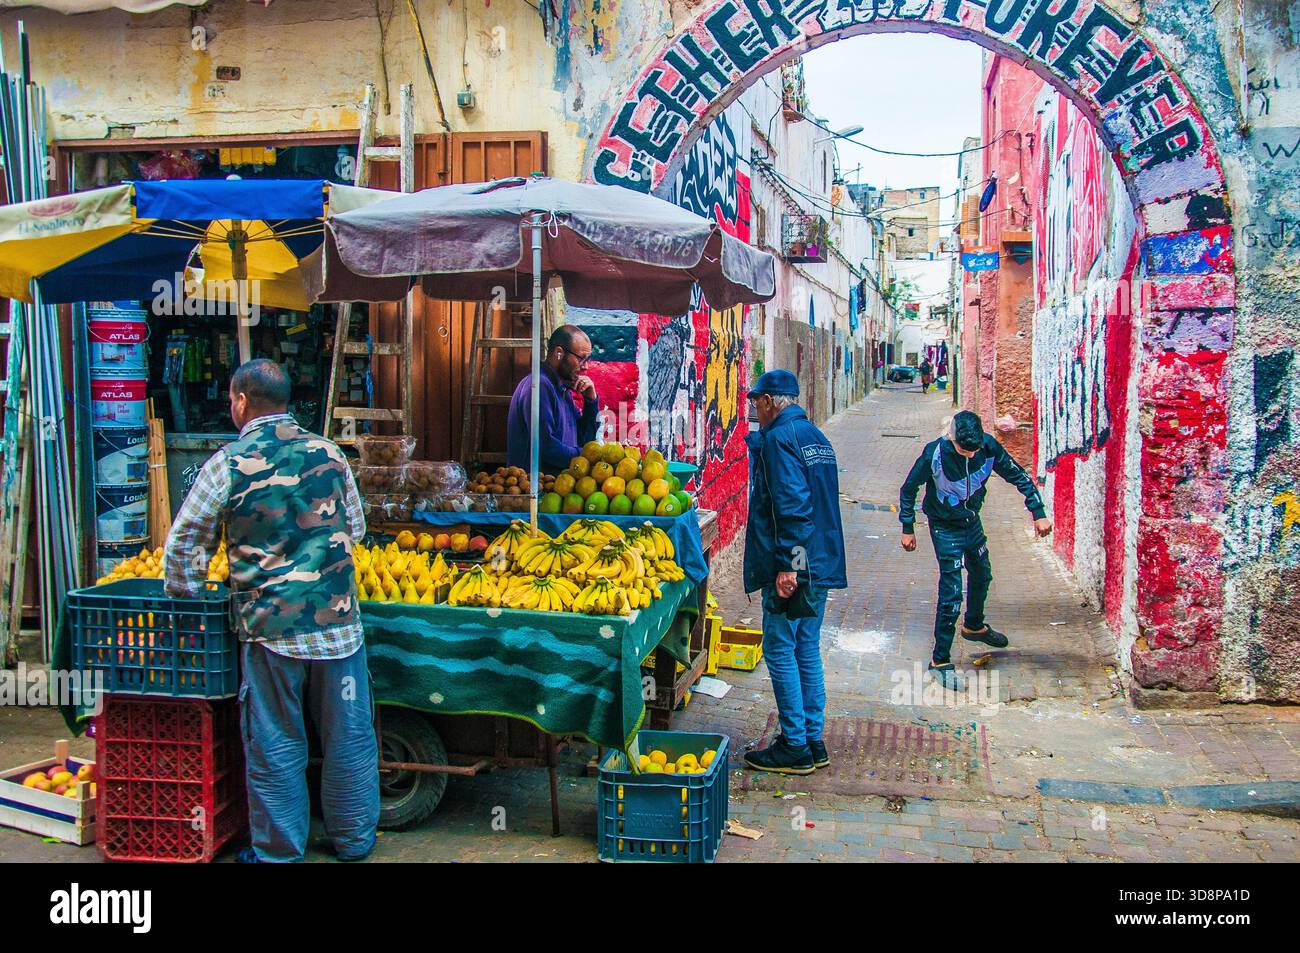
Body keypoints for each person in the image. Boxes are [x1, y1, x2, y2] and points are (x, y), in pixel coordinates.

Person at [164, 359, 378, 863]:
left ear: (241, 401)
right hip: (338, 627)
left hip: (269, 631)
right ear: (286, 402)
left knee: (276, 741)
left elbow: (182, 547)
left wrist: (189, 594)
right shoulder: (330, 453)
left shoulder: (229, 462)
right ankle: (353, 841)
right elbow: (358, 529)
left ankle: (279, 852)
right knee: (349, 736)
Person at [898, 410, 1053, 690]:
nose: (970, 455)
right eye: (963, 449)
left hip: (971, 522)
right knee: (952, 592)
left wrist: (1038, 511)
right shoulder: (934, 453)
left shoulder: (988, 446)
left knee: (982, 574)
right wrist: (907, 526)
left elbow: (1017, 475)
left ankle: (973, 626)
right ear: (951, 438)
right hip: (944, 527)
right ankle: (940, 661)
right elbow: (909, 488)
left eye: (974, 449)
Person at [741, 370, 847, 775]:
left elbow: (793, 506)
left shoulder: (779, 440)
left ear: (769, 401)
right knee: (806, 647)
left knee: (781, 649)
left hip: (798, 564)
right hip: (820, 561)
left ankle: (795, 745)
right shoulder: (816, 437)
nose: (755, 411)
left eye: (756, 403)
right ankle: (812, 739)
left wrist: (790, 566)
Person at [506, 325, 600, 475]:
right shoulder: (539, 386)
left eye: (588, 360)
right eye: (582, 359)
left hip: (558, 489)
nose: (586, 367)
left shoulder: (562, 389)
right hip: (536, 492)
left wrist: (590, 402)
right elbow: (546, 447)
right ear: (558, 353)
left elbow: (584, 440)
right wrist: (587, 455)